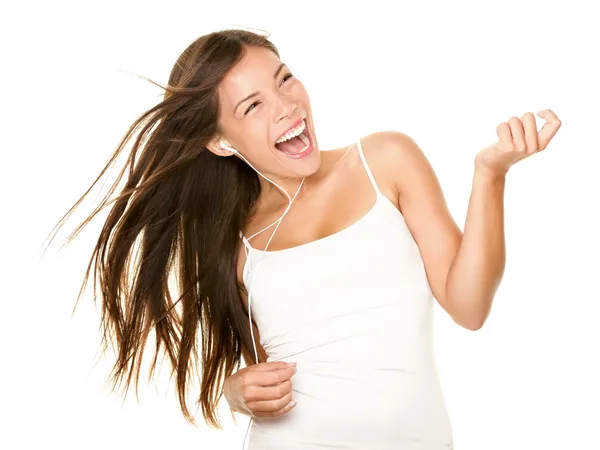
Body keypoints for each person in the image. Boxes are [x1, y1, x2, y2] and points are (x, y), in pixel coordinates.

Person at [48, 29, 561, 449]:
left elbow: (469, 307)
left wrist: (489, 174)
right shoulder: (236, 237)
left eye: (285, 79)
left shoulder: (385, 160)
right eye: (252, 106)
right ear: (220, 141)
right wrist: (235, 391)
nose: (286, 107)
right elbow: (256, 371)